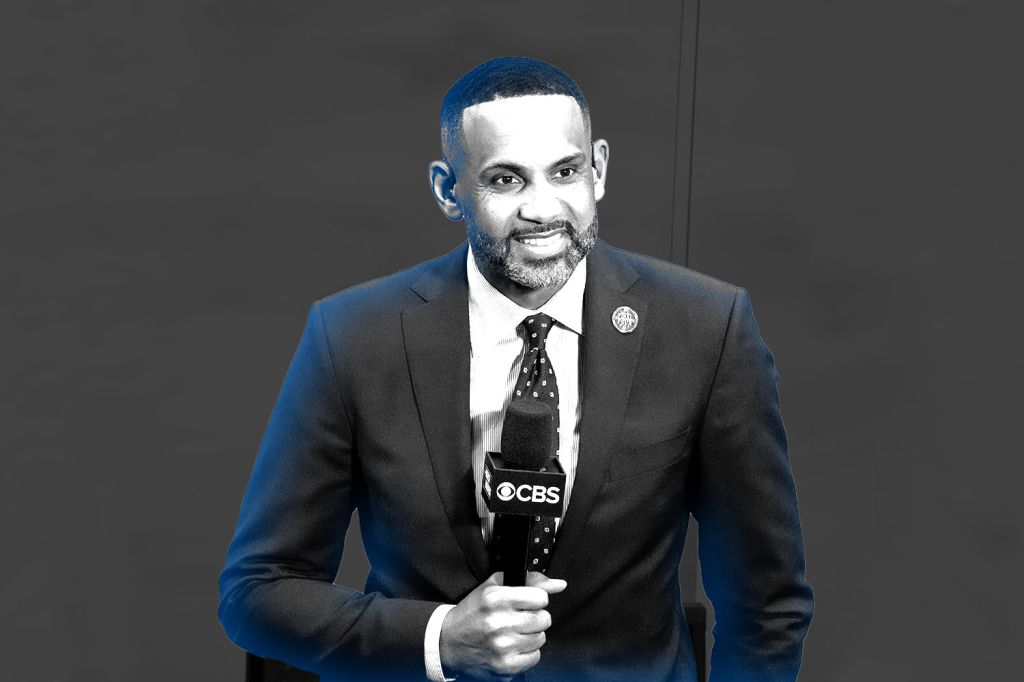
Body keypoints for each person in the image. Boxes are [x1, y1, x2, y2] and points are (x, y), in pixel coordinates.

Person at [219, 56, 813, 682]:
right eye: (506, 180)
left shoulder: (707, 328)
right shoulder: (352, 336)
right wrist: (439, 639)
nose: (542, 210)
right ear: (448, 190)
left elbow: (768, 603)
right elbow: (258, 591)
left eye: (565, 172)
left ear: (599, 170)